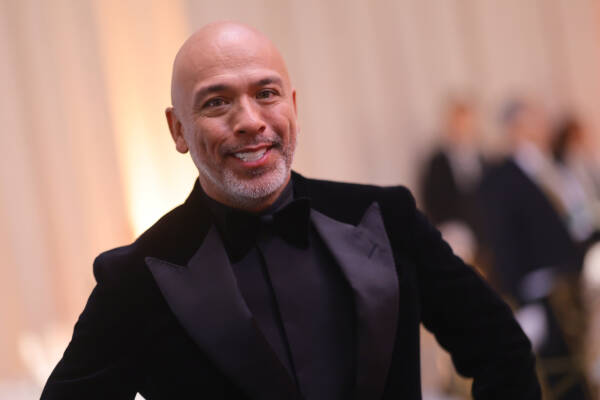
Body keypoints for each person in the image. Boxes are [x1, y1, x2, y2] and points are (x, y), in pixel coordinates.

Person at [42, 22, 540, 400]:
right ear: (177, 130)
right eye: (217, 103)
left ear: (293, 106)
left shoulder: (386, 216)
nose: (251, 121)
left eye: (266, 93)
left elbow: (502, 349)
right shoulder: (137, 277)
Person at [478, 100, 590, 399]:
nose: (544, 125)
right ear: (517, 128)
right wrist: (520, 298)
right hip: (540, 291)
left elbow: (572, 218)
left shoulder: (550, 166)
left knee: (582, 364)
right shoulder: (500, 178)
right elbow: (502, 240)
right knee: (562, 374)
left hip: (572, 281)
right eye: (535, 119)